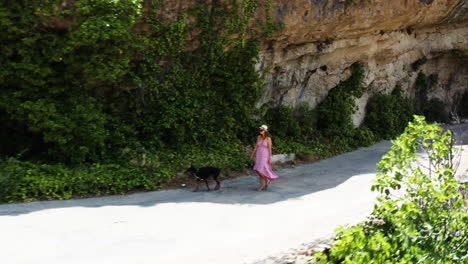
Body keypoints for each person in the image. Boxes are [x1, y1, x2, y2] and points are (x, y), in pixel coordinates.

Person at [250, 124, 279, 191]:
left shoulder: (268, 138)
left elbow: (269, 149)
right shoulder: (259, 137)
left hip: (265, 155)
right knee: (257, 170)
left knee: (260, 170)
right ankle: (266, 180)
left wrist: (270, 157)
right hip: (259, 155)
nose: (260, 130)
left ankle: (262, 185)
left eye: (262, 129)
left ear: (265, 130)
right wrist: (252, 154)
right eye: (260, 129)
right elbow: (256, 146)